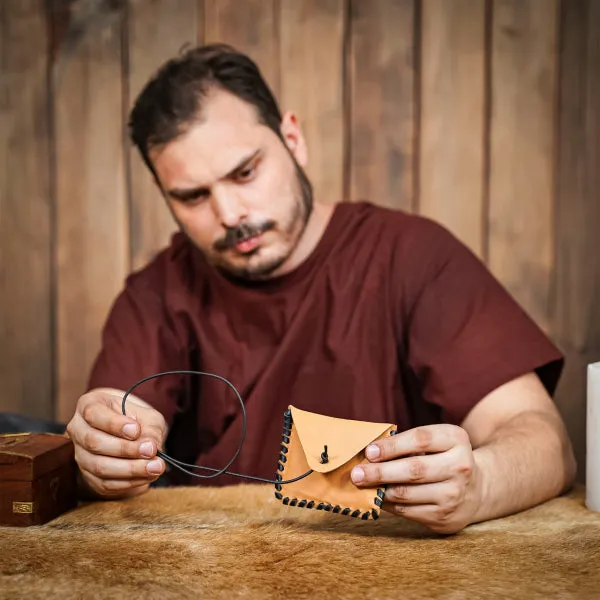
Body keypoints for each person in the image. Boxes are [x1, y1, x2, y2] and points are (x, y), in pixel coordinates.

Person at [65, 43, 576, 534]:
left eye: (245, 172)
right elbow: (114, 411)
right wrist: (100, 451)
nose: (230, 214)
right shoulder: (155, 293)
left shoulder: (414, 257)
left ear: (293, 140)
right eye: (193, 196)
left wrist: (479, 486)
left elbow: (543, 440)